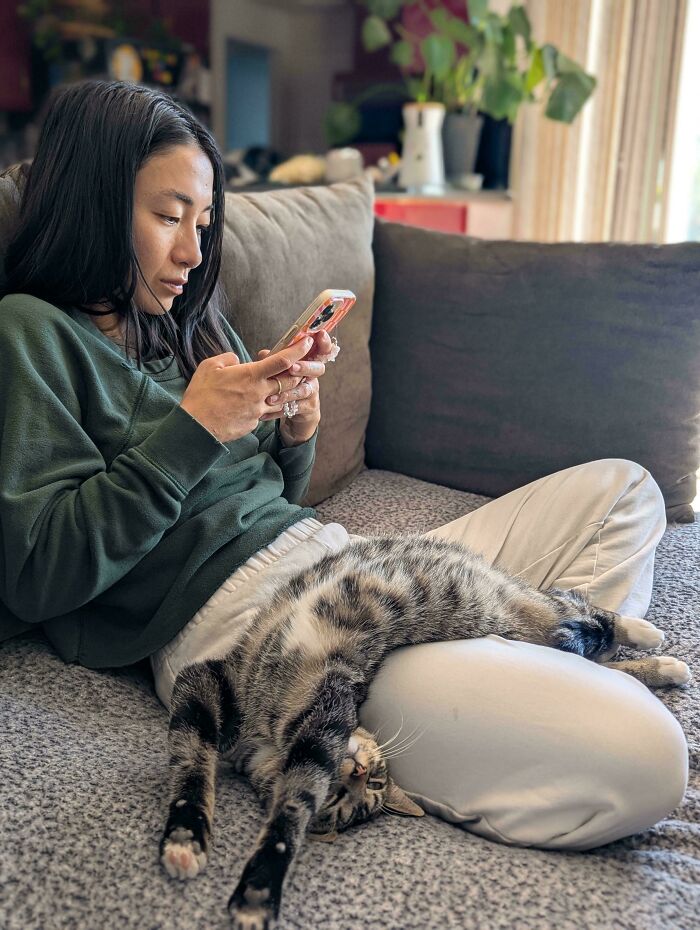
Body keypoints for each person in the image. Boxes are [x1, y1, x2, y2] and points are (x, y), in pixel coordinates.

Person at [0, 79, 687, 854]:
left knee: (625, 492)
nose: (193, 253)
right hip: (252, 627)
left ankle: (510, 675)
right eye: (166, 218)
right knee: (647, 759)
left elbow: (266, 503)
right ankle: (480, 697)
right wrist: (191, 430)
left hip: (344, 562)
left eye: (203, 221)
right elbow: (37, 575)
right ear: (92, 203)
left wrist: (294, 430)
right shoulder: (30, 334)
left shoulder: (182, 322)